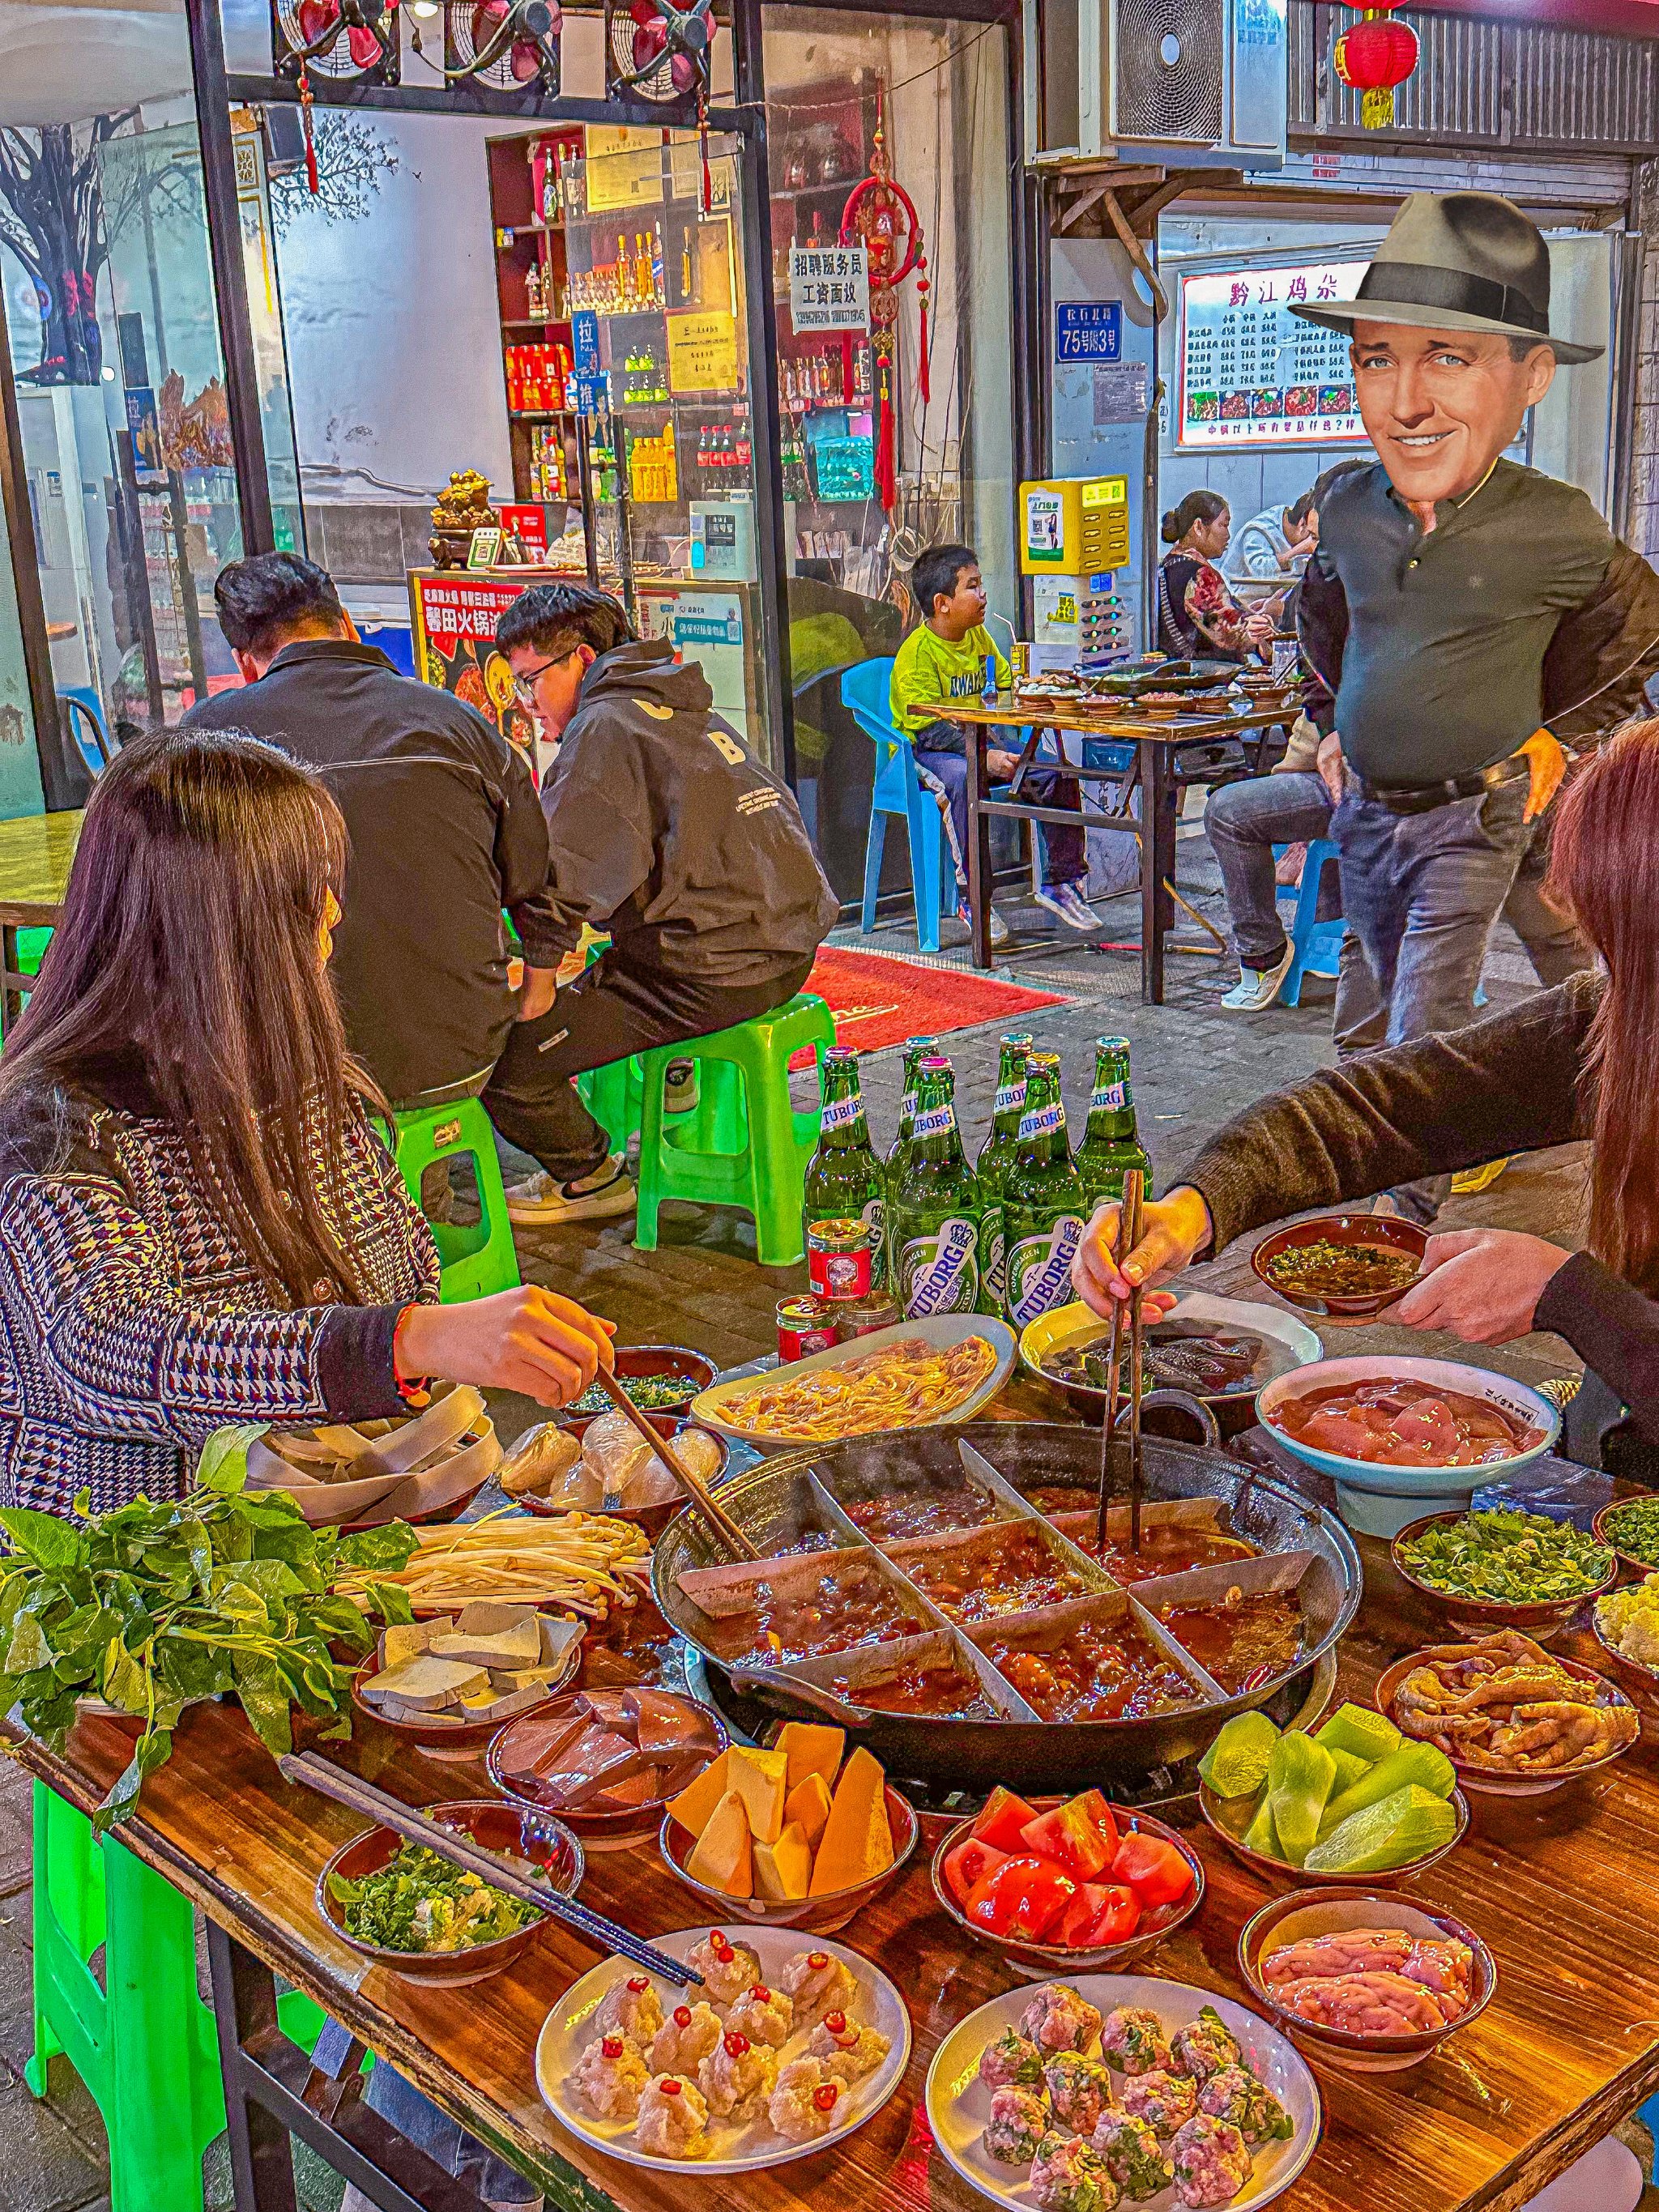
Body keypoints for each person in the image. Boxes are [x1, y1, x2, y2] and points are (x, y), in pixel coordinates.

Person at [0, 725, 614, 1514]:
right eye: (304, 887)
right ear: (210, 920)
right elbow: (110, 1347)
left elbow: (403, 1265)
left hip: (341, 1524)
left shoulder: (303, 1075)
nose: (331, 911)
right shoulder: (56, 1122)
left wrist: (437, 1341)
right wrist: (402, 1340)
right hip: (151, 1579)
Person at [1073, 716, 1659, 1484]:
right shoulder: (1620, 1019)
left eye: (1614, 935)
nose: (1590, 953)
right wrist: (1191, 1210)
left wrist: (1569, 1295)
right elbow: (1387, 1104)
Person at [1290, 190, 1659, 1219]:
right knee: (1364, 1017)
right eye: (1375, 358)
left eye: (1446, 358)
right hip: (1365, 806)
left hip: (1479, 806)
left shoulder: (1557, 523)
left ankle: (1406, 1229)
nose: (1405, 400)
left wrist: (1568, 734)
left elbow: (1636, 624)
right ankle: (1551, 1101)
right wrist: (1322, 724)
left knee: (1425, 1018)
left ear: (1529, 378)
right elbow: (1319, 618)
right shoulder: (1347, 505)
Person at [182, 554, 582, 1213]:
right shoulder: (457, 722)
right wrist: (536, 986)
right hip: (459, 1049)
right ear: (348, 626)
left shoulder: (207, 741)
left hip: (289, 1067)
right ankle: (417, 1219)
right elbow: (537, 878)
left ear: (246, 660)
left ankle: (328, 1230)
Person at [494, 583, 838, 1222]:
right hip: (791, 944)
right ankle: (675, 1083)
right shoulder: (676, 698)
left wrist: (536, 991)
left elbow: (557, 884)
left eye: (529, 681)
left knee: (504, 1059)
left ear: (581, 657)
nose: (526, 705)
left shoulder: (605, 725)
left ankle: (593, 1175)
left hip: (718, 969)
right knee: (617, 954)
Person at [889, 543, 1098, 942]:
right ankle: (975, 900)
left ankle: (1061, 882)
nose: (983, 595)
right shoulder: (917, 655)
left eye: (981, 585)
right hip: (926, 753)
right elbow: (928, 728)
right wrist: (987, 758)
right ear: (942, 603)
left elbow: (1005, 688)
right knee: (966, 780)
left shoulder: (980, 637)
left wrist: (1030, 705)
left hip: (984, 742)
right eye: (972, 586)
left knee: (1055, 771)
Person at [1155, 492, 1276, 662]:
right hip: (1205, 677)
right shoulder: (1201, 575)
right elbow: (1234, 633)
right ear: (1198, 527)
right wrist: (1261, 623)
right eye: (1223, 525)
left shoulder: (1167, 565)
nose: (1228, 535)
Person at [1223, 489, 1319, 584]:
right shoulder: (1258, 531)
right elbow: (1261, 572)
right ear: (1302, 524)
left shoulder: (1287, 518)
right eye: (1313, 535)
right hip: (1239, 594)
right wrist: (1298, 550)